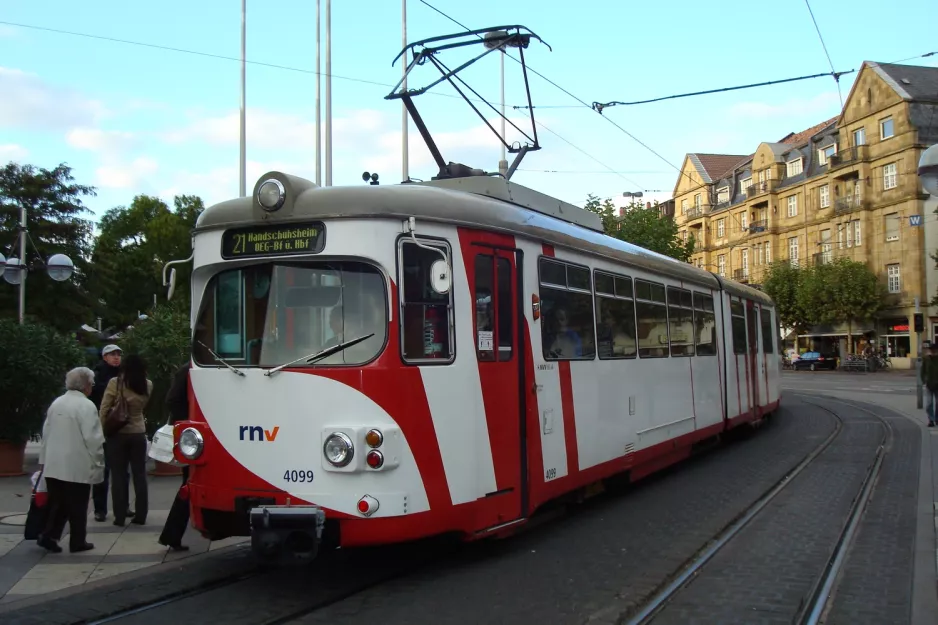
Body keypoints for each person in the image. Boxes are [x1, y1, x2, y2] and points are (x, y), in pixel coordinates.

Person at [37, 367, 105, 553]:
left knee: (58, 503)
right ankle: (77, 541)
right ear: (86, 386)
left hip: (54, 463)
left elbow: (46, 433)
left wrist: (43, 460)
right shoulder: (87, 406)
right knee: (78, 505)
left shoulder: (57, 403)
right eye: (91, 384)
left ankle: (49, 535)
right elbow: (93, 439)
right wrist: (98, 463)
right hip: (77, 464)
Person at [99, 354, 153, 526]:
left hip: (118, 434)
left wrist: (102, 431)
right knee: (139, 475)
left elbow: (104, 408)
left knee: (119, 476)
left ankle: (120, 516)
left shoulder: (116, 383)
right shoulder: (148, 385)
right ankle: (141, 515)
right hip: (138, 432)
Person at [89, 344, 130, 522]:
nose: (116, 357)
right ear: (104, 357)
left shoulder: (125, 375)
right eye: (112, 354)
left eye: (118, 354)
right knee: (102, 470)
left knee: (122, 471)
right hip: (104, 428)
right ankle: (100, 509)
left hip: (122, 428)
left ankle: (123, 506)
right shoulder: (97, 375)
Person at [158, 361, 192, 551]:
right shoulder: (187, 370)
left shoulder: (188, 369)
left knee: (188, 484)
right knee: (188, 484)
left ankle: (172, 535)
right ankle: (172, 534)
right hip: (192, 434)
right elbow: (172, 400)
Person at [921, 342, 938, 427]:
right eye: (931, 350)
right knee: (929, 403)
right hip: (929, 384)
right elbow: (923, 370)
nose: (932, 352)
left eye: (934, 350)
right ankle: (931, 420)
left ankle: (937, 419)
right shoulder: (926, 359)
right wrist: (923, 380)